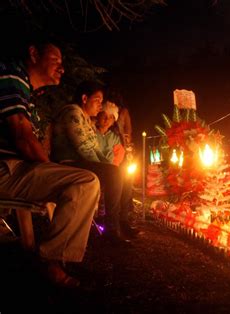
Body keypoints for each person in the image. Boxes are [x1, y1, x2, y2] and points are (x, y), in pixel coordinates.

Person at [0, 39, 100, 287]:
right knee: (86, 181)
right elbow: (23, 138)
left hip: (15, 167)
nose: (62, 68)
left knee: (84, 180)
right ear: (33, 54)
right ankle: (51, 262)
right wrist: (51, 169)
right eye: (55, 60)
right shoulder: (11, 75)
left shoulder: (26, 92)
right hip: (5, 168)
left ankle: (48, 254)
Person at [51, 81, 134, 244]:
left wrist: (109, 168)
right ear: (84, 98)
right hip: (67, 163)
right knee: (114, 173)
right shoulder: (72, 113)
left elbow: (94, 149)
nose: (100, 105)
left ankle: (118, 223)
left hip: (79, 162)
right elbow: (85, 149)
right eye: (97, 100)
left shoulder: (85, 118)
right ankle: (111, 227)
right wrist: (108, 171)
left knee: (118, 172)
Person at [96, 101, 140, 237]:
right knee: (116, 176)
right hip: (96, 167)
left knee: (126, 178)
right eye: (104, 115)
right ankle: (112, 224)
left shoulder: (113, 137)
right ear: (98, 115)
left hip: (111, 169)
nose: (107, 120)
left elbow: (118, 156)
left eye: (111, 117)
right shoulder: (91, 132)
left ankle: (123, 220)